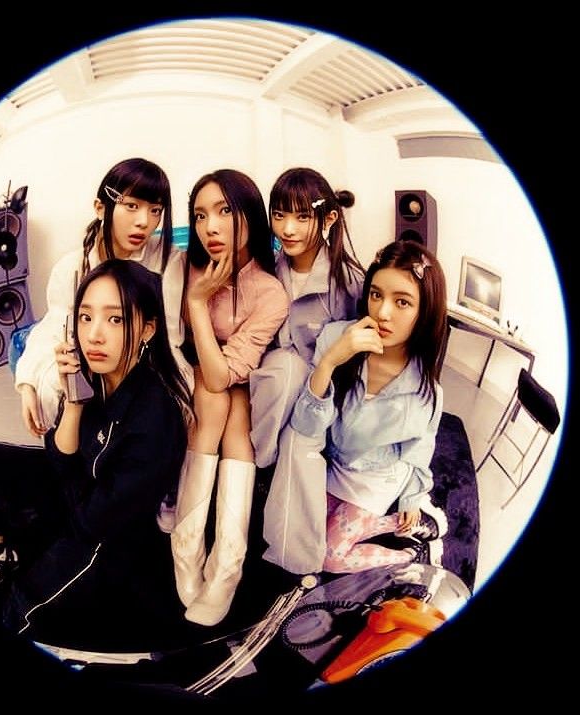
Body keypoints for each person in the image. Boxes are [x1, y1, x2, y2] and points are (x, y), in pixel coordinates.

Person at [0, 259, 193, 646]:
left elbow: (94, 522)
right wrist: (73, 399)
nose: (95, 335)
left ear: (148, 329)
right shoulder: (93, 376)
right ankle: (0, 555)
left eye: (115, 320)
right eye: (86, 318)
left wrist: (59, 495)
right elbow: (58, 455)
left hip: (105, 540)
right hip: (76, 495)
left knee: (19, 612)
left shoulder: (156, 419)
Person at [262, 240, 449, 575]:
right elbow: (305, 428)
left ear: (425, 312)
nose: (383, 312)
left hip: (376, 480)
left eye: (402, 301)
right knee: (302, 536)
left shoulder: (426, 390)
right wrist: (332, 361)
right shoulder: (336, 337)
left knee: (327, 557)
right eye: (376, 295)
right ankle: (387, 524)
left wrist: (411, 496)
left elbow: (420, 447)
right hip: (333, 466)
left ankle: (412, 556)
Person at [169, 169, 290, 627]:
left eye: (224, 211)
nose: (210, 227)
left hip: (231, 379)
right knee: (221, 403)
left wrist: (200, 306)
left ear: (250, 216)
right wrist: (197, 301)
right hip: (188, 372)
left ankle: (225, 564)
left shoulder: (270, 292)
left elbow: (228, 373)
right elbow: (188, 353)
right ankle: (191, 550)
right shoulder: (185, 268)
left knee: (233, 407)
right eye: (200, 215)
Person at [14, 157, 191, 438]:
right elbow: (55, 328)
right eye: (131, 206)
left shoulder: (168, 260)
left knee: (170, 397)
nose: (144, 222)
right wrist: (27, 384)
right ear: (100, 207)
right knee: (49, 381)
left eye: (155, 210)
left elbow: (169, 339)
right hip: (91, 357)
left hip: (146, 358)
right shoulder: (72, 267)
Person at [249, 167, 365, 470]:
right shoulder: (266, 269)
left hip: (320, 393)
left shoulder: (351, 282)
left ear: (328, 219)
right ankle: (260, 463)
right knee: (284, 371)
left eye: (302, 217)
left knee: (289, 371)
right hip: (268, 388)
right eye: (279, 215)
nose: (287, 229)